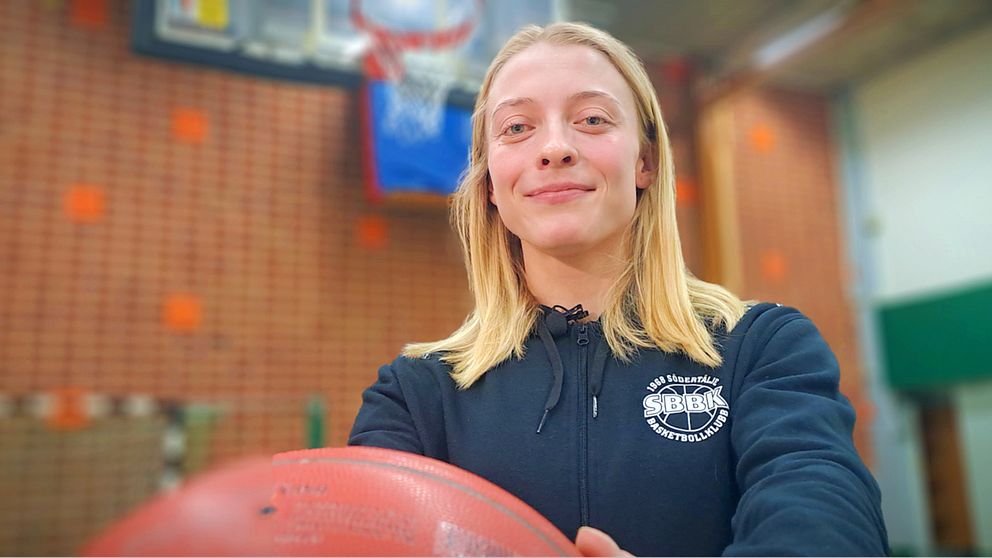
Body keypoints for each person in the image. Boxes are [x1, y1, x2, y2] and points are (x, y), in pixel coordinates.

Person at [349, 22, 889, 557]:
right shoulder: (413, 398)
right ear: (490, 181)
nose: (555, 147)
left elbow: (826, 526)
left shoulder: (765, 350)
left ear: (645, 161)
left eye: (591, 119)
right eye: (516, 128)